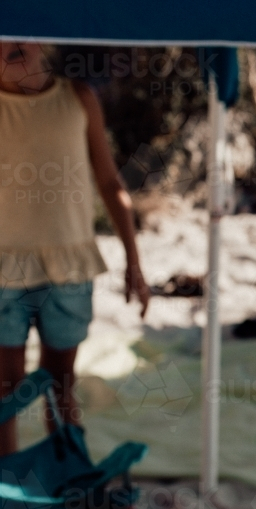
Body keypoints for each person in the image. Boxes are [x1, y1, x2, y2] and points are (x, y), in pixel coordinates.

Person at [0, 41, 150, 456]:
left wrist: (133, 262)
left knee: (61, 384)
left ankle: (70, 482)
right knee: (4, 389)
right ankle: (7, 496)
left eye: (16, 32)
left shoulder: (77, 97)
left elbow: (109, 182)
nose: (7, 44)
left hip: (69, 268)